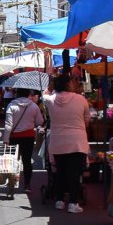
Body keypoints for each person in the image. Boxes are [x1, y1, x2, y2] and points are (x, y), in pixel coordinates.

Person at [43, 74, 91, 213]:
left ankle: (59, 201)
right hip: (77, 141)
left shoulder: (50, 99)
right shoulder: (81, 99)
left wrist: (50, 87)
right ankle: (73, 203)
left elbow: (43, 95)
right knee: (74, 173)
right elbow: (87, 119)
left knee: (60, 172)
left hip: (58, 141)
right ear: (68, 84)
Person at [3, 88, 44, 192]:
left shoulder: (11, 105)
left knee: (13, 161)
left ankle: (12, 184)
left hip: (14, 137)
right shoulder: (34, 106)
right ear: (29, 93)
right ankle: (27, 185)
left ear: (17, 93)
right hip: (28, 137)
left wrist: (5, 140)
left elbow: (8, 125)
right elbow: (40, 121)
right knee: (27, 161)